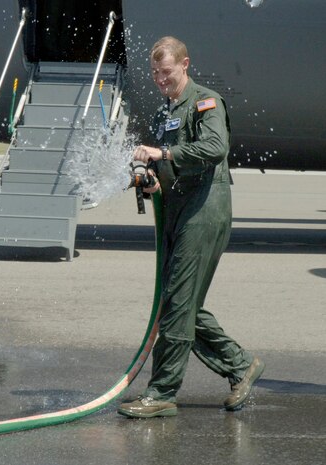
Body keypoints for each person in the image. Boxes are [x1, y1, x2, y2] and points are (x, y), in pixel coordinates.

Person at [118, 37, 264, 418]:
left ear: (185, 65)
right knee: (178, 303)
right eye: (154, 74)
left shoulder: (206, 102)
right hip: (178, 209)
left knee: (179, 303)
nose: (160, 80)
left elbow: (215, 147)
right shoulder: (163, 113)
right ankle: (240, 364)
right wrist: (151, 179)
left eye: (165, 72)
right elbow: (167, 169)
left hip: (205, 209)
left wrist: (162, 153)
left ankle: (163, 392)